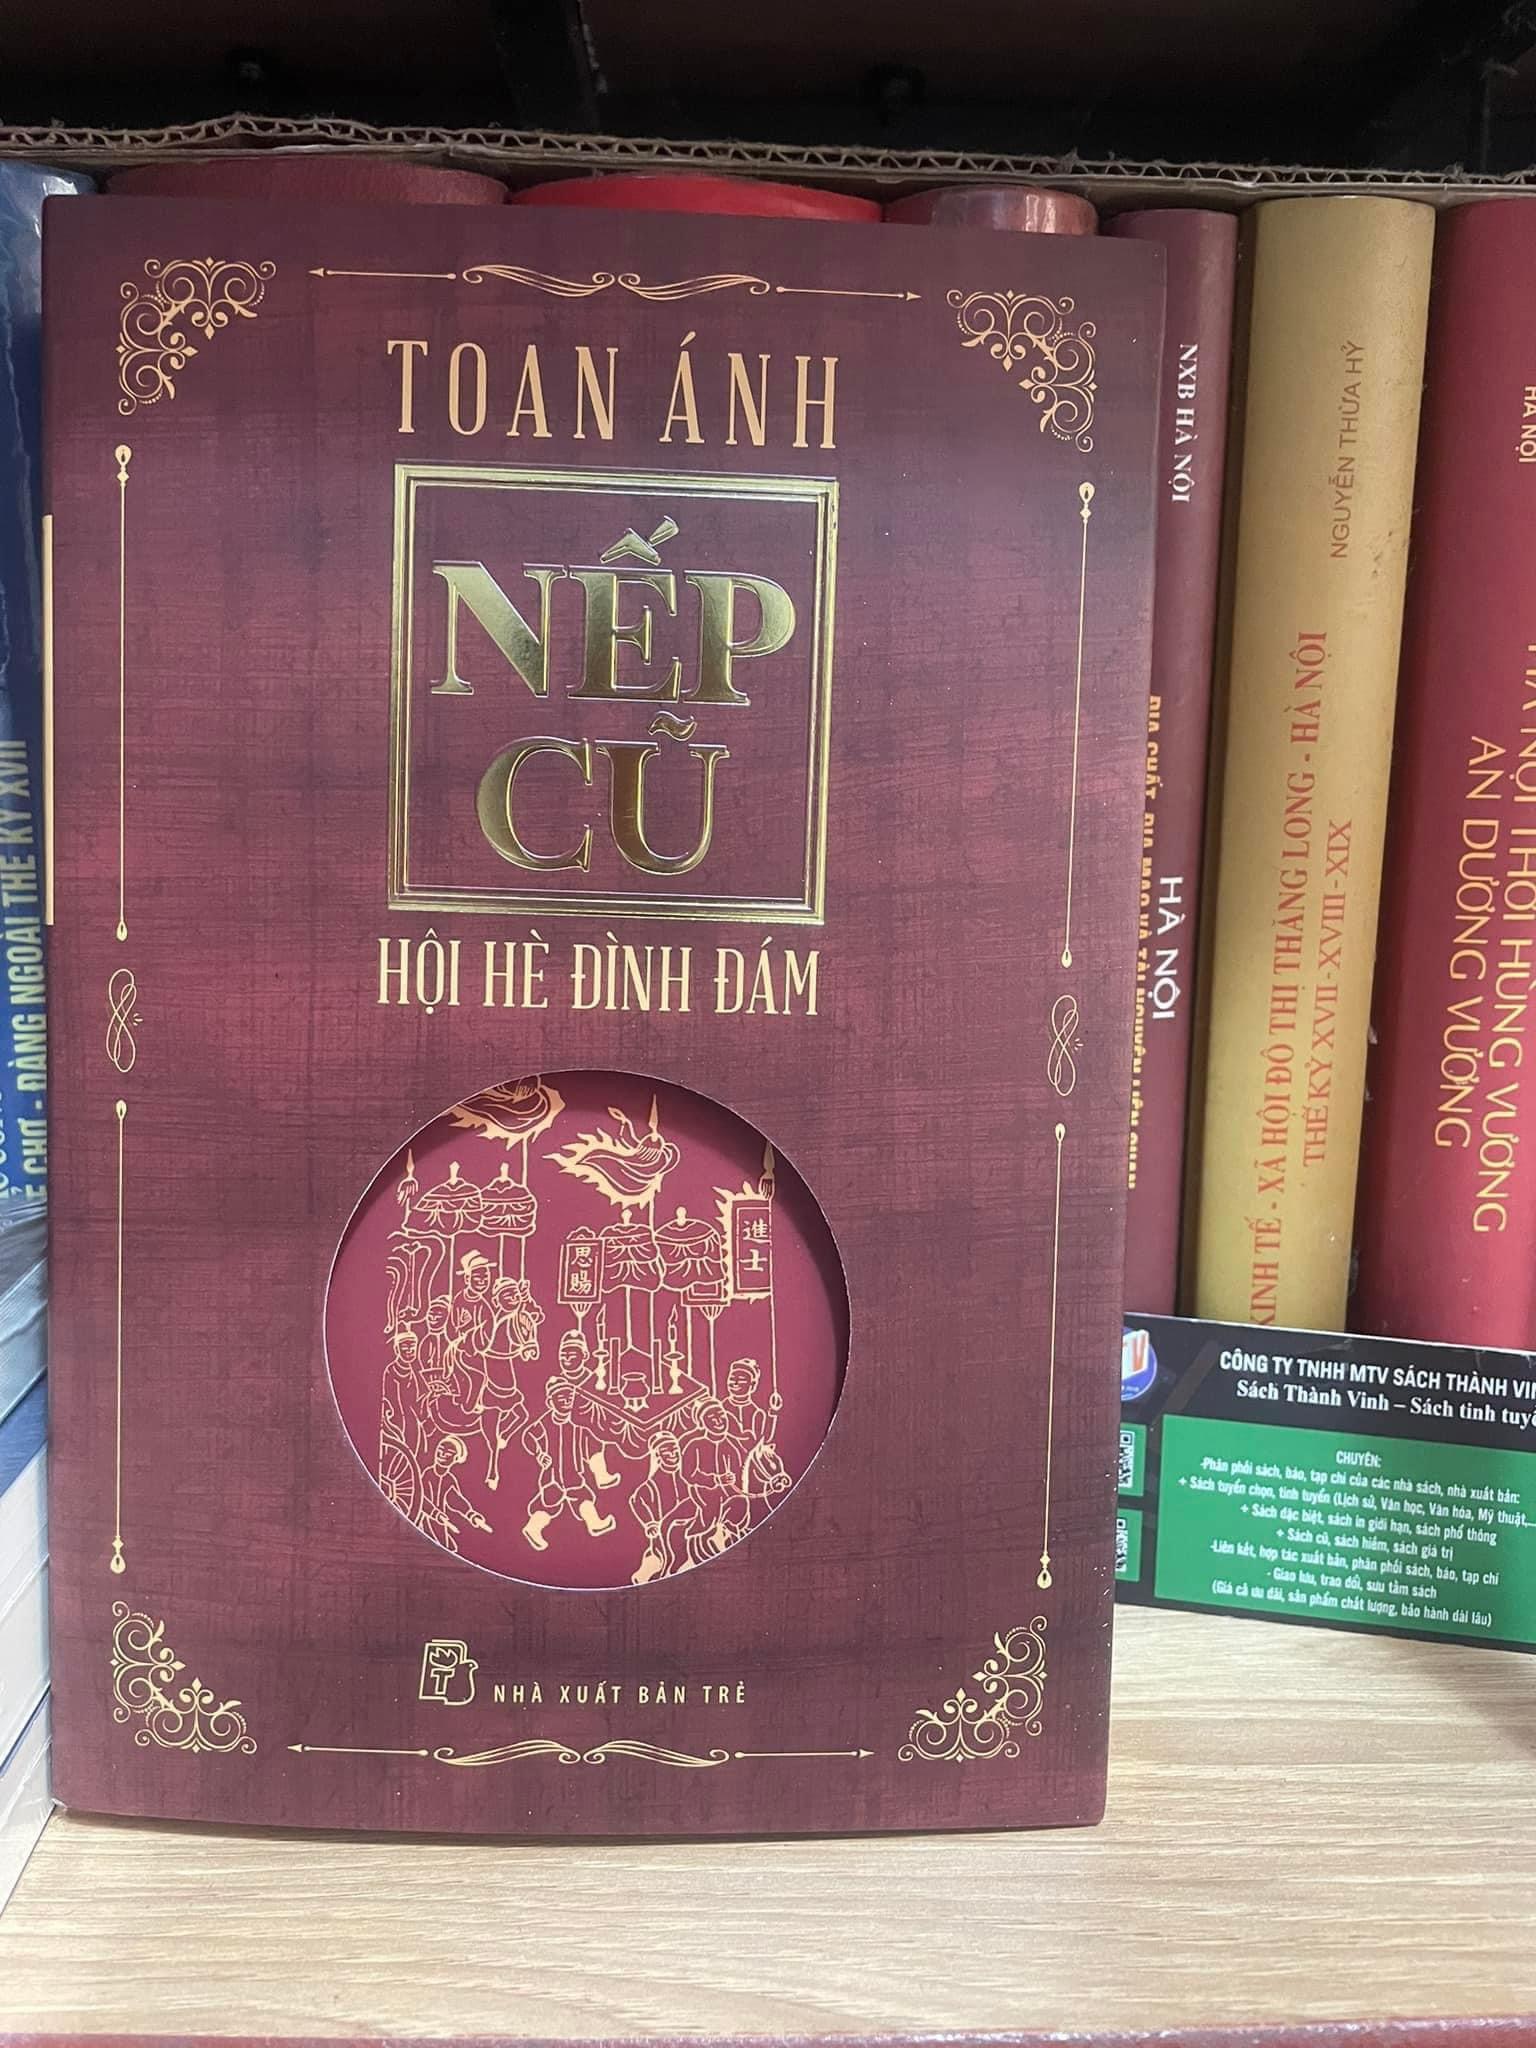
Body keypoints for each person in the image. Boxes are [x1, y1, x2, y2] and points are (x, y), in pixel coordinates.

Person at [521, 1331, 622, 1551]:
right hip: (553, 1475)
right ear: (550, 1402)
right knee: (549, 1503)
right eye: (560, 1398)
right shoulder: (546, 1422)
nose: (566, 1401)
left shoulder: (578, 1417)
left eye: (569, 1397)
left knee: (583, 1496)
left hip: (574, 1473)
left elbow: (590, 1437)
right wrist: (539, 1453)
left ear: (584, 1355)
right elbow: (529, 1436)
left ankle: (595, 1521)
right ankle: (533, 1527)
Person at [419, 1436, 492, 1555]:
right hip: (426, 1520)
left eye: (448, 1453)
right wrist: (435, 1514)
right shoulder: (427, 1474)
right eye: (440, 1450)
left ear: (456, 1458)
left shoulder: (449, 1479)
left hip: (441, 1522)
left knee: (446, 1546)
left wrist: (471, 1515)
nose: (442, 1455)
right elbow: (421, 1498)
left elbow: (455, 1500)